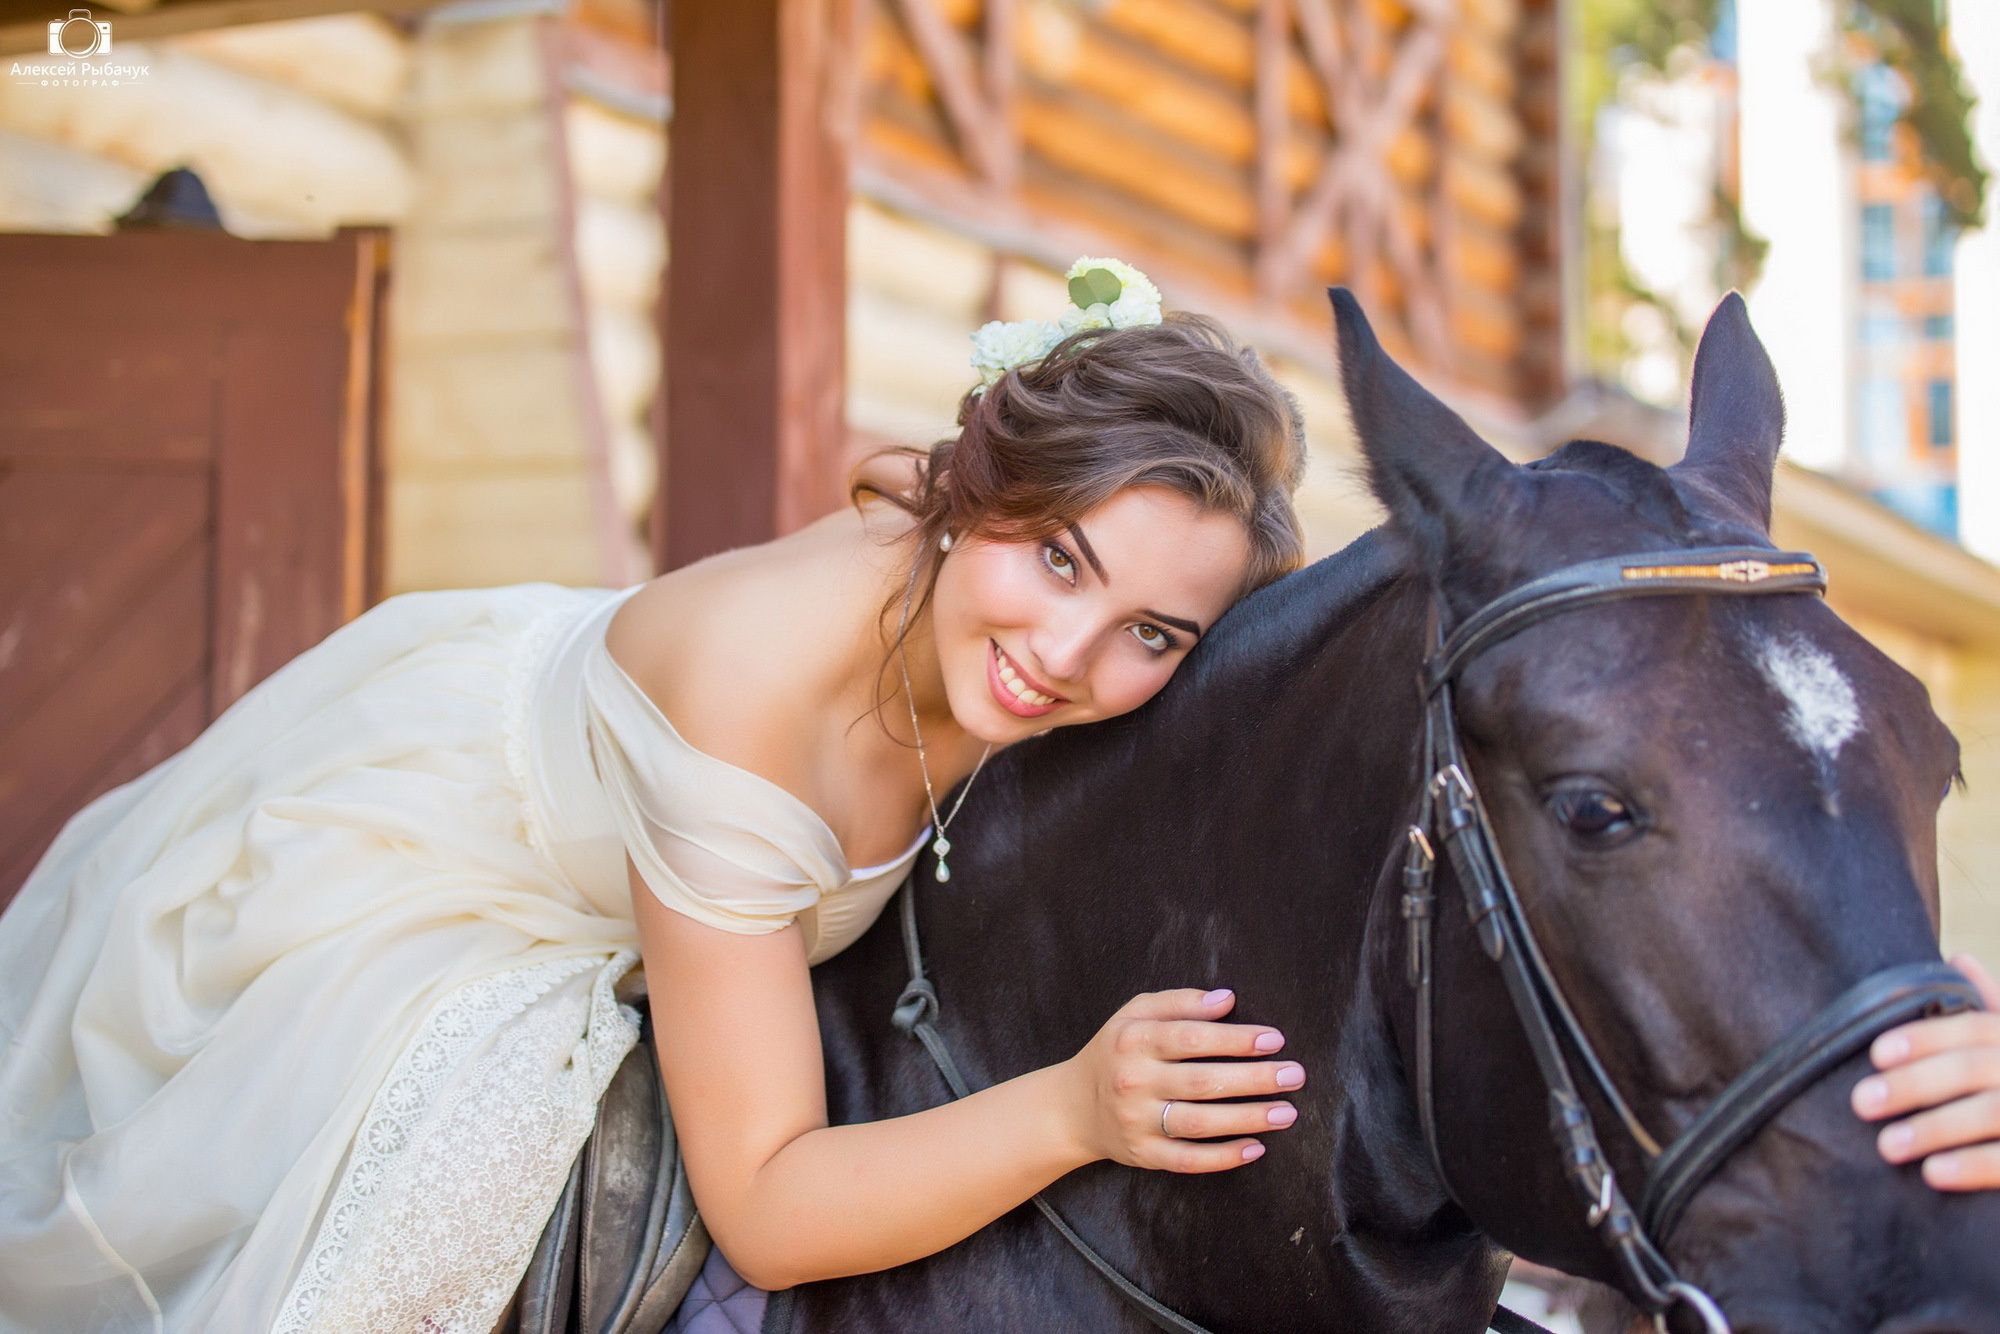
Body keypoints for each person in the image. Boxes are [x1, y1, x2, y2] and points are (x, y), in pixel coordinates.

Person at [0, 259, 1993, 1334]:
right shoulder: (746, 695)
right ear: (977, 498)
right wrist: (1069, 1103)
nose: (1073, 661)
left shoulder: (1039, 639)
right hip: (456, 883)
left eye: (1150, 636)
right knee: (441, 1214)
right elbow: (775, 1214)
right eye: (1055, 564)